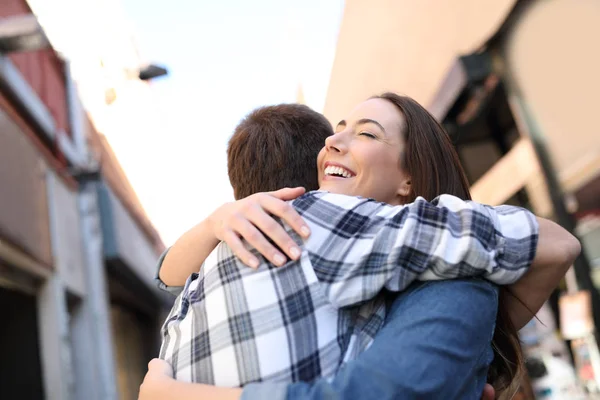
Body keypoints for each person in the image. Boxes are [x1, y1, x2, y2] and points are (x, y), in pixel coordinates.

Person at [142, 95, 580, 399]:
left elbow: (166, 276)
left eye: (367, 135)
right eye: (338, 130)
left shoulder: (316, 224)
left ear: (410, 176)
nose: (334, 141)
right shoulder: (317, 234)